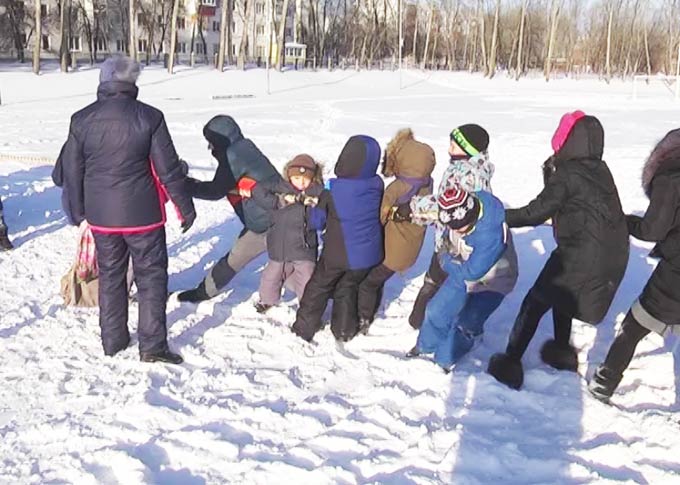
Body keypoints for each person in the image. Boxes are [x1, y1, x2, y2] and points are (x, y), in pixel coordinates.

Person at [56, 56, 196, 364]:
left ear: (103, 81)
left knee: (111, 276)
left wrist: (79, 213)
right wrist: (185, 206)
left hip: (102, 218)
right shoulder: (150, 117)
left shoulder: (81, 119)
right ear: (131, 82)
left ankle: (113, 340)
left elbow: (72, 171)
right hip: (144, 216)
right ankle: (152, 346)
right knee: (151, 278)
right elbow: (168, 169)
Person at [488, 111, 629, 390]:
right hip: (605, 251)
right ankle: (562, 353)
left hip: (581, 254)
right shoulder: (600, 169)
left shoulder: (568, 173)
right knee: (560, 295)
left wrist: (498, 216)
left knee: (535, 302)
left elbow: (536, 212)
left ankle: (510, 363)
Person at [396, 124, 517, 330]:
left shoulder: (471, 175)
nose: (449, 147)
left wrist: (414, 208)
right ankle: (423, 320)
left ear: (468, 149)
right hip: (446, 237)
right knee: (436, 280)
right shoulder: (461, 166)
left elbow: (450, 207)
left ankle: (428, 323)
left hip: (457, 243)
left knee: (440, 283)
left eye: (455, 144)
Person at [589, 129, 680, 402]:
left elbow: (652, 229)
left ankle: (604, 383)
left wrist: (625, 222)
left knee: (635, 324)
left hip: (675, 273)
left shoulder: (670, 178)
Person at [177, 115, 281, 302]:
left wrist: (185, 186)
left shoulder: (234, 155)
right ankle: (204, 291)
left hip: (267, 223)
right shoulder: (244, 147)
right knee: (237, 257)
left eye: (211, 142)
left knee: (293, 267)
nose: (210, 148)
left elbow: (215, 191)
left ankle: (203, 292)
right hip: (272, 218)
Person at [291, 135, 384, 343]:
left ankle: (303, 328)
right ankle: (344, 330)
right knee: (347, 286)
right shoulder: (377, 184)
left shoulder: (333, 191)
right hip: (369, 254)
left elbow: (317, 222)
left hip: (339, 253)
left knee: (319, 287)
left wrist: (313, 209)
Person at [408, 186, 508, 372]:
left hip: (493, 279)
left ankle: (444, 360)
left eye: (462, 229)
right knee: (436, 310)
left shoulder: (488, 234)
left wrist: (445, 260)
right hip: (462, 265)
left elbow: (472, 272)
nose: (459, 233)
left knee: (465, 324)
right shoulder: (461, 205)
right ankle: (425, 346)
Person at [356, 128, 435, 333]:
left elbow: (379, 216)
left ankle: (364, 317)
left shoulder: (397, 188)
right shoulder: (427, 183)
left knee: (368, 283)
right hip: (409, 248)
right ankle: (371, 309)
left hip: (392, 251)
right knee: (378, 280)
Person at [249, 154, 324, 313]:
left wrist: (316, 206)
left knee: (307, 277)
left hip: (304, 247)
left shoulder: (317, 193)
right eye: (296, 177)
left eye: (305, 179)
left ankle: (308, 307)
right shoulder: (280, 187)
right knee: (272, 275)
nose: (301, 182)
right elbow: (257, 189)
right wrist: (279, 201)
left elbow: (323, 218)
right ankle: (267, 300)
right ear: (289, 175)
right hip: (280, 245)